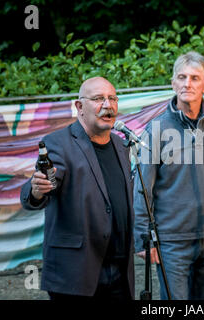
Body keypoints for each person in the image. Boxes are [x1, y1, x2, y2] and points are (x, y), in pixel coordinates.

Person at [133, 51, 204, 300]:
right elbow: (143, 188)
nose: (187, 83)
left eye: (195, 78)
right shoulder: (156, 129)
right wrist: (143, 237)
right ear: (173, 83)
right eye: (181, 77)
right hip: (173, 239)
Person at [20, 77, 135, 300]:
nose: (108, 105)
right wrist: (37, 190)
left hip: (120, 272)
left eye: (112, 98)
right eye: (98, 99)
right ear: (79, 107)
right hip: (77, 273)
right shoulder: (58, 143)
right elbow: (44, 185)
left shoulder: (122, 145)